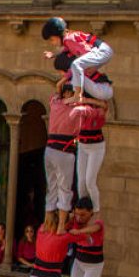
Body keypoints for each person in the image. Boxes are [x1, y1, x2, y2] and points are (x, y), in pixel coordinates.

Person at [42, 17, 115, 103]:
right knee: (79, 67)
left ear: (59, 35)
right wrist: (53, 55)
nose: (52, 43)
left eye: (52, 40)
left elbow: (86, 50)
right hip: (104, 51)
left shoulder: (69, 39)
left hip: (102, 51)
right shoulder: (69, 39)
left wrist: (83, 64)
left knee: (76, 65)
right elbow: (67, 50)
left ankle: (77, 95)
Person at [43, 87, 80, 235]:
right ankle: (60, 226)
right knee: (64, 188)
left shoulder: (55, 103)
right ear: (68, 94)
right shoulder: (75, 107)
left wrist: (65, 79)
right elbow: (79, 97)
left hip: (50, 150)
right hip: (63, 151)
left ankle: (48, 222)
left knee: (52, 186)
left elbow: (58, 89)